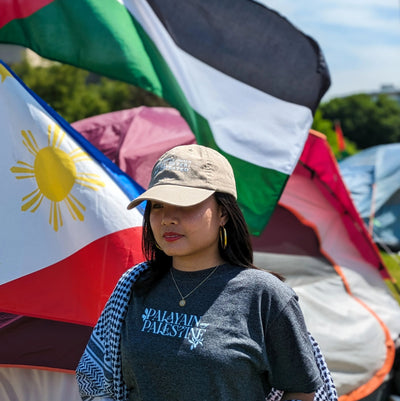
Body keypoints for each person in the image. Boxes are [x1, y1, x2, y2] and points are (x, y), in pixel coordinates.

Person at [76, 144, 337, 401]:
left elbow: (301, 391)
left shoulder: (265, 296)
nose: (167, 218)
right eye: (157, 205)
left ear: (223, 213)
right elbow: (97, 377)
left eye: (184, 204)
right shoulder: (134, 286)